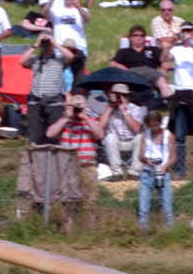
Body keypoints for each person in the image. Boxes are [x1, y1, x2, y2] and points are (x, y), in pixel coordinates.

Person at [45, 91, 102, 230]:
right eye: (74, 107)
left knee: (90, 200)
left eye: (79, 107)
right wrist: (66, 117)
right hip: (68, 167)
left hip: (87, 166)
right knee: (68, 200)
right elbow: (50, 134)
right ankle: (69, 231)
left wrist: (85, 118)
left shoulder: (90, 121)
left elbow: (100, 134)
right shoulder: (65, 121)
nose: (76, 111)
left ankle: (90, 231)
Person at [161, 20, 193, 178]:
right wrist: (171, 43)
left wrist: (192, 44)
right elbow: (163, 59)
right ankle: (179, 171)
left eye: (189, 30)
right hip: (181, 92)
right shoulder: (177, 49)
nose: (187, 33)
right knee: (179, 136)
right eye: (184, 31)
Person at [21, 30, 73, 145]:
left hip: (54, 102)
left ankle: (53, 161)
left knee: (54, 137)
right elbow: (22, 61)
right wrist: (36, 44)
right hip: (36, 102)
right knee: (35, 137)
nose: (45, 45)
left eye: (46, 43)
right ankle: (36, 160)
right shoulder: (35, 59)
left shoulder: (59, 60)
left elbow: (70, 56)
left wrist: (54, 42)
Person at [136, 107, 173, 231]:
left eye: (156, 124)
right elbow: (140, 156)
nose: (154, 127)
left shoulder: (168, 135)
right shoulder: (145, 135)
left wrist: (164, 166)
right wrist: (147, 160)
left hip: (163, 173)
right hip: (147, 173)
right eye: (152, 125)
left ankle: (170, 235)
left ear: (160, 122)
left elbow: (174, 157)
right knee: (143, 211)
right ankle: (144, 235)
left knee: (168, 210)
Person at [108, 25, 170, 97]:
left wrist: (164, 66)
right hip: (132, 72)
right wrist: (120, 67)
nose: (139, 37)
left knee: (161, 80)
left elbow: (163, 61)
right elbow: (111, 63)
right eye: (136, 35)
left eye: (142, 35)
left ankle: (169, 102)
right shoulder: (124, 51)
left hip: (150, 71)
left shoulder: (153, 49)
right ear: (131, 38)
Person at [45, 0, 89, 81]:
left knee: (78, 82)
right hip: (60, 51)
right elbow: (44, 13)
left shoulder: (82, 10)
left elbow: (87, 19)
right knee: (58, 82)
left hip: (79, 49)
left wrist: (78, 4)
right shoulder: (56, 10)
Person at [102, 81, 143, 178]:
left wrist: (124, 111)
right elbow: (101, 125)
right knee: (110, 137)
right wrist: (111, 105)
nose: (120, 97)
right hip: (116, 141)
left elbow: (136, 128)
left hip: (131, 140)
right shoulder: (109, 109)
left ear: (127, 96)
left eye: (123, 95)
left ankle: (135, 172)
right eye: (117, 95)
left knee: (142, 136)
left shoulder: (135, 108)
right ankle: (117, 172)